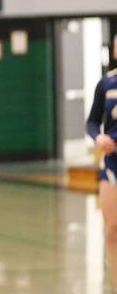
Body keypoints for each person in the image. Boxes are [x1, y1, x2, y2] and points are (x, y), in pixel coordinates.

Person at [87, 61, 117, 288]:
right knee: (112, 230)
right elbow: (92, 122)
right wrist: (99, 138)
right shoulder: (106, 83)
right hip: (112, 164)